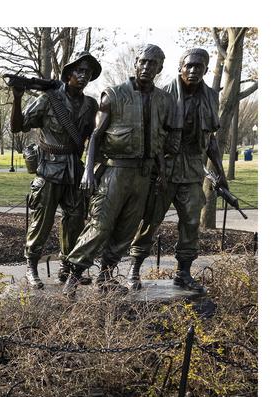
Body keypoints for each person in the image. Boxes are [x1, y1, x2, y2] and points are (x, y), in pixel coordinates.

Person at [61, 44, 180, 297]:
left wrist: (161, 174)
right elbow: (95, 135)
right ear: (136, 63)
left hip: (143, 175)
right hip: (115, 171)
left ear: (160, 68)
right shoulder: (113, 94)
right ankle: (73, 275)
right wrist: (88, 172)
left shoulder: (164, 99)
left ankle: (105, 276)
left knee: (127, 229)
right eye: (143, 62)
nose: (147, 67)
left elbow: (159, 140)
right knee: (100, 225)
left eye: (153, 63)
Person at [126, 48, 226, 293]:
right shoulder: (165, 95)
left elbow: (210, 138)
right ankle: (134, 268)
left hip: (192, 168)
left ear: (205, 69)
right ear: (180, 67)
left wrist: (220, 171)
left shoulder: (211, 97)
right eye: (189, 66)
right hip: (165, 166)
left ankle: (183, 273)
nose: (193, 71)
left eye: (199, 67)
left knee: (191, 221)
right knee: (151, 219)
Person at [10, 51, 102, 289]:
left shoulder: (91, 105)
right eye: (79, 71)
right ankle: (31, 266)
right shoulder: (48, 99)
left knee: (75, 221)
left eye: (88, 73)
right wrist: (17, 97)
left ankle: (68, 268)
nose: (83, 76)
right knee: (43, 221)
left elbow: (91, 137)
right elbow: (18, 126)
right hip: (49, 169)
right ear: (68, 74)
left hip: (74, 170)